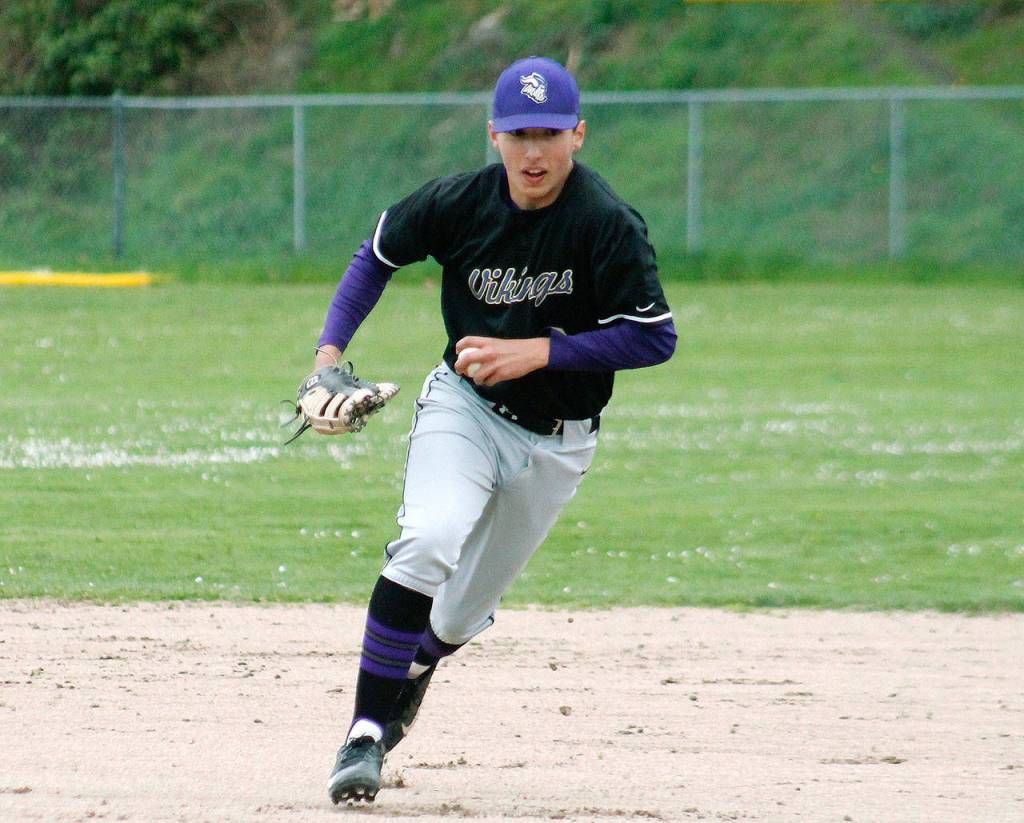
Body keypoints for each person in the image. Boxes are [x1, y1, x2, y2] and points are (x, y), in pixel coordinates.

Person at [317, 56, 677, 804]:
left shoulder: (605, 223)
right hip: (466, 411)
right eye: (518, 134)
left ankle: (413, 670)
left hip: (561, 439)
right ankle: (362, 735)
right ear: (494, 136)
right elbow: (377, 252)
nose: (533, 151)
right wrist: (327, 357)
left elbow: (653, 336)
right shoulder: (461, 203)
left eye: (549, 132)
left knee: (451, 617)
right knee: (428, 538)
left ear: (579, 133)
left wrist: (540, 351)